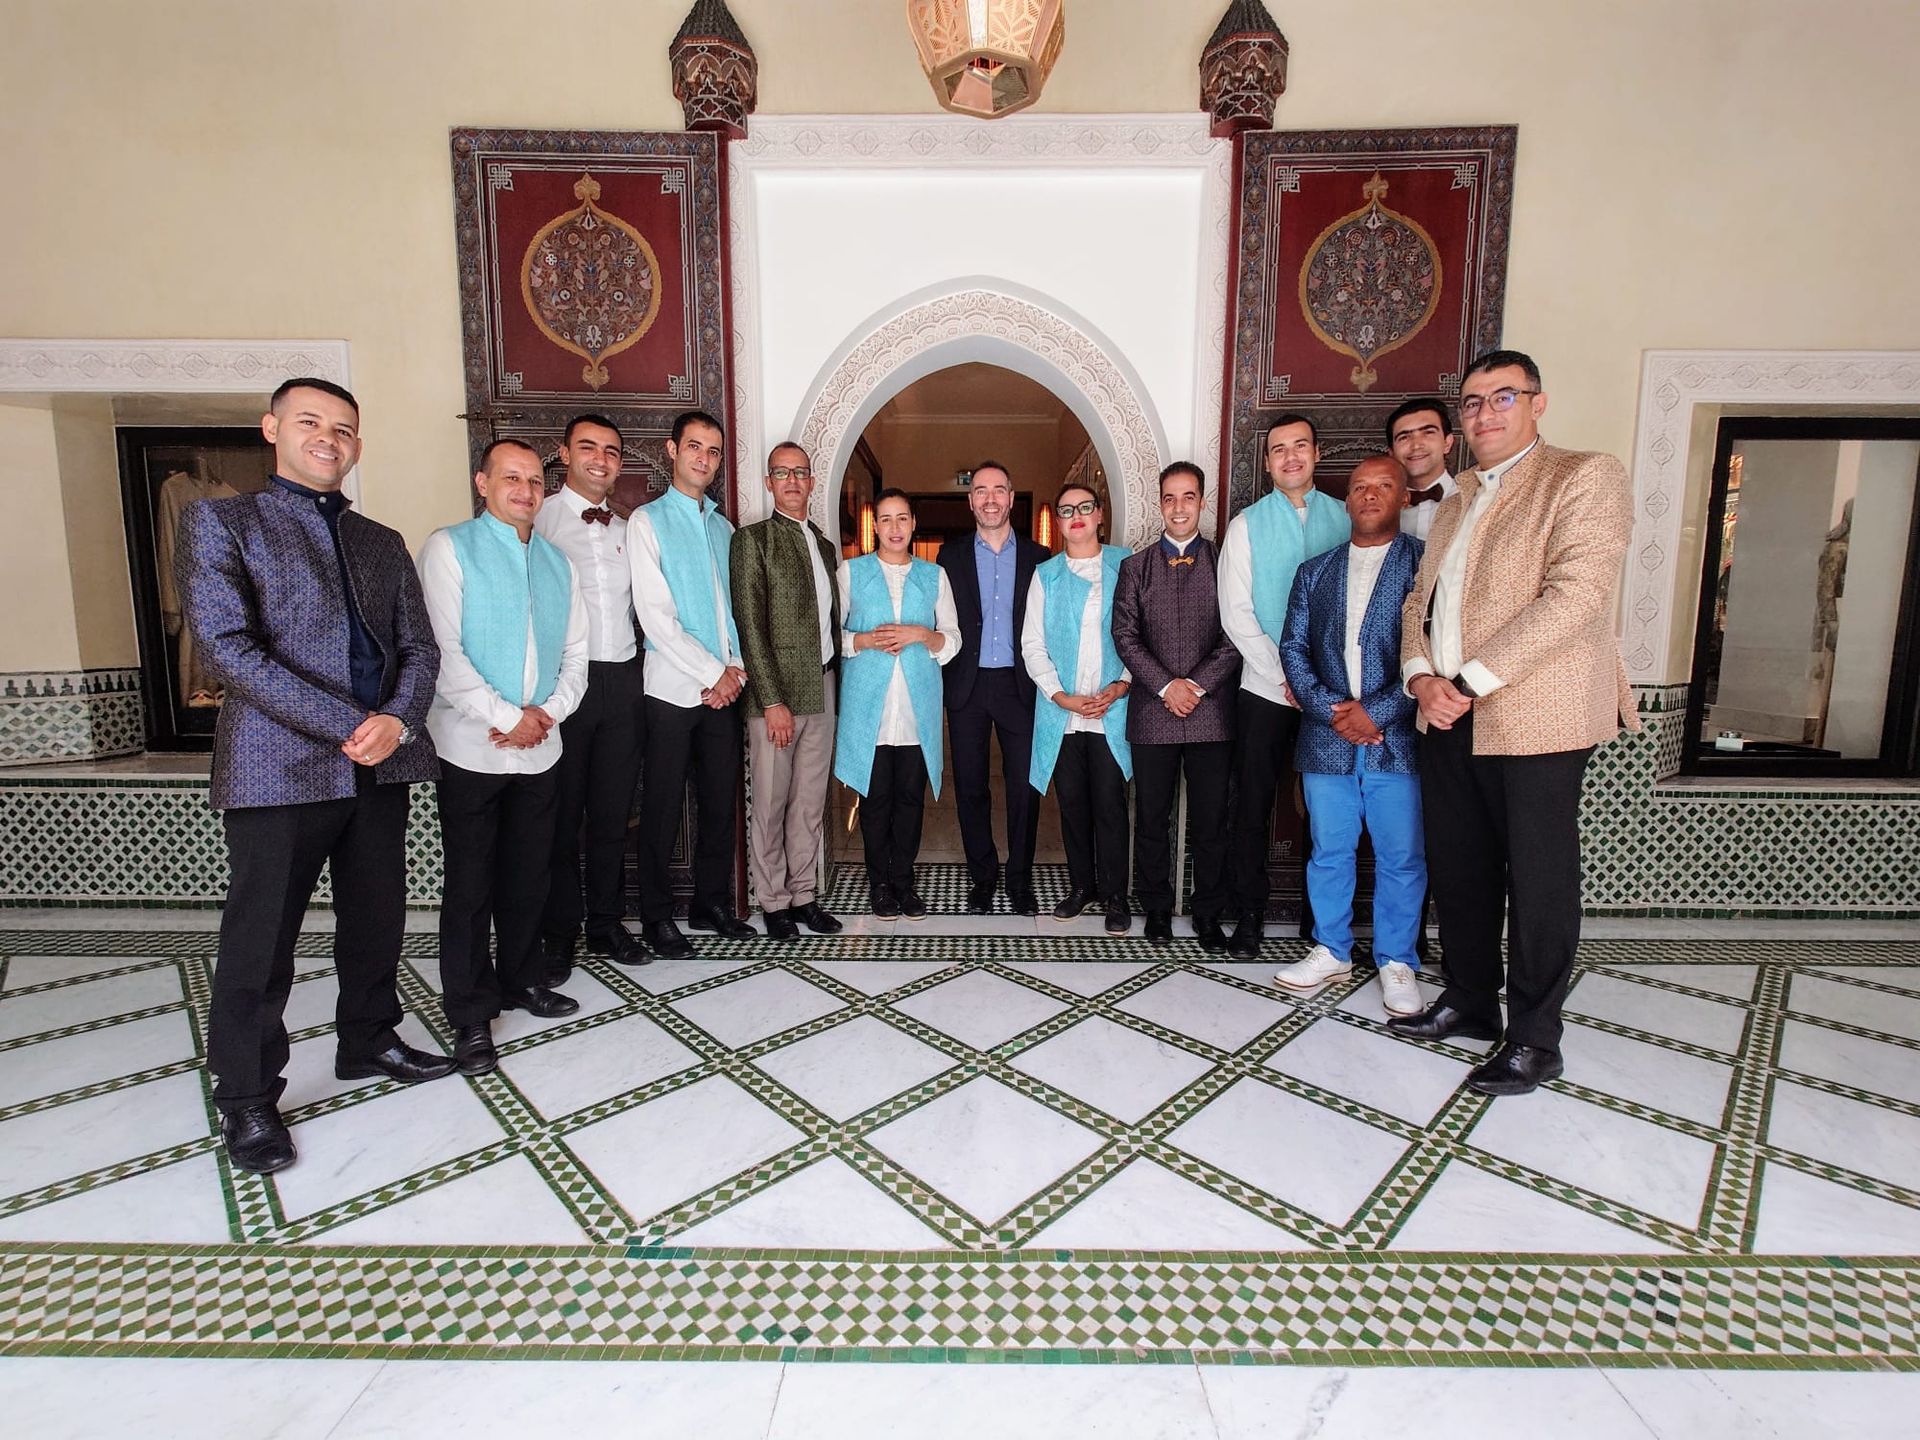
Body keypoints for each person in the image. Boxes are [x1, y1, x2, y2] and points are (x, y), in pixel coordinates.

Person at [175, 377, 453, 1174]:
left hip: (382, 762)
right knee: (260, 941)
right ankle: (247, 1096)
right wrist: (347, 724)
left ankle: (368, 1039)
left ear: (357, 444)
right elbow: (228, 649)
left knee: (377, 918)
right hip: (277, 766)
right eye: (310, 422)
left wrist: (398, 720)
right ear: (272, 429)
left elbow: (419, 647)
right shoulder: (225, 523)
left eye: (343, 429)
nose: (329, 439)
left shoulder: (380, 541)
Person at [1391, 349, 1639, 1096]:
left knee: (1538, 881)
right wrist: (1422, 679)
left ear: (1537, 402)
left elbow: (1574, 597)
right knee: (1460, 868)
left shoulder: (1582, 476)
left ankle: (1535, 1038)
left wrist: (1465, 682)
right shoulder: (1459, 497)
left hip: (1535, 717)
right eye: (1472, 402)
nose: (1484, 413)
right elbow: (1418, 604)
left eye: (1502, 397)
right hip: (1446, 714)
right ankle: (1471, 1000)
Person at [419, 438, 590, 1076]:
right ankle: (470, 1013)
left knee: (528, 876)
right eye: (511, 478)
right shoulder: (449, 548)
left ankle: (521, 979)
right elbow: (442, 652)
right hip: (471, 749)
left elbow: (576, 654)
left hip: (541, 748)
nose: (525, 490)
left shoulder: (557, 562)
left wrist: (546, 715)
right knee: (470, 885)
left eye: (534, 481)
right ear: (482, 483)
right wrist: (506, 717)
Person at [1273, 456, 1426, 1014]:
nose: (1369, 495)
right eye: (1360, 487)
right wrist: (1333, 711)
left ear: (1404, 497)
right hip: (1327, 738)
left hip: (1397, 741)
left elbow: (1435, 650)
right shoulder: (1315, 571)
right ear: (1346, 501)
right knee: (1329, 851)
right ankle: (1332, 948)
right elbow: (1293, 647)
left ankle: (1397, 960)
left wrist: (1376, 713)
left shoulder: (1424, 566)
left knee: (1401, 855)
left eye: (1383, 486)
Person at [1218, 414, 1351, 957]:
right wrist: (1286, 675)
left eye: (1300, 446)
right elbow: (1236, 611)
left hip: (1335, 694)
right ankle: (1249, 914)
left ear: (1316, 453)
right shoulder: (1246, 525)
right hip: (1265, 689)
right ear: (1268, 462)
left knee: (1330, 808)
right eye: (1279, 449)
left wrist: (1316, 683)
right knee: (1252, 805)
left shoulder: (1346, 517)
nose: (1290, 457)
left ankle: (1322, 924)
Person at [628, 409, 752, 958]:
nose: (704, 458)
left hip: (725, 691)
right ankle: (656, 917)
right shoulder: (646, 521)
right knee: (660, 806)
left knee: (720, 802)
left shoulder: (724, 529)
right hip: (672, 691)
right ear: (672, 450)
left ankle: (711, 903)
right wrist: (713, 673)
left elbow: (737, 613)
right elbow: (656, 618)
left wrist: (736, 671)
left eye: (713, 451)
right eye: (695, 446)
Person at [534, 414, 650, 977]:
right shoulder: (539, 520)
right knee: (561, 815)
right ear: (564, 454)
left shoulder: (629, 529)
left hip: (623, 679)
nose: (600, 459)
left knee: (612, 813)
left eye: (610, 451)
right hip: (563, 683)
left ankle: (606, 923)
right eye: (588, 447)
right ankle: (559, 933)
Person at [1112, 462, 1241, 950]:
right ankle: (1156, 909)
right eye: (1169, 498)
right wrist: (1167, 686)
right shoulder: (1135, 568)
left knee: (1211, 821)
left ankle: (1208, 913)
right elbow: (1125, 636)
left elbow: (1237, 632)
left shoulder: (1225, 562)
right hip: (1152, 712)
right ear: (1159, 504)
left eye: (1188, 497)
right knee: (1152, 819)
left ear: (1202, 502)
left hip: (1212, 713)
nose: (1179, 507)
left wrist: (1197, 686)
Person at [730, 441, 844, 941]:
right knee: (772, 802)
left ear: (812, 482)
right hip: (775, 697)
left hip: (823, 685)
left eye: (800, 473)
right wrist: (772, 700)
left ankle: (803, 895)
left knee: (809, 802)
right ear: (769, 482)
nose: (793, 481)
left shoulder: (824, 546)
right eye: (782, 473)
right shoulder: (752, 541)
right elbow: (750, 627)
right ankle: (773, 901)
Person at [834, 489, 960, 917]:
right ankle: (879, 885)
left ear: (913, 524)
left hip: (915, 710)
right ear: (875, 526)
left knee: (910, 799)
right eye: (885, 519)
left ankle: (904, 882)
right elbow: (830, 636)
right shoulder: (851, 572)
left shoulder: (934, 576)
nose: (894, 528)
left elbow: (953, 640)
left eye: (902, 518)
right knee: (874, 800)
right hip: (868, 708)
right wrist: (864, 640)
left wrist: (922, 635)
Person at [937, 461, 1051, 916]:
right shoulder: (949, 557)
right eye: (981, 491)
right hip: (967, 684)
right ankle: (982, 878)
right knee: (970, 787)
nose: (990, 499)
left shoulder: (1041, 557)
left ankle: (1020, 881)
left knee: (1024, 788)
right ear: (971, 501)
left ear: (1011, 497)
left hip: (1020, 684)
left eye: (998, 490)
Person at [1022, 483, 1133, 935]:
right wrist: (1059, 695)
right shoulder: (1046, 575)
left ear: (1100, 514)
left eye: (1085, 507)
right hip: (1064, 713)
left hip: (1112, 709)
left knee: (1110, 803)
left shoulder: (1127, 565)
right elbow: (1032, 644)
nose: (1076, 516)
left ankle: (1116, 895)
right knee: (1072, 804)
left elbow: (1143, 634)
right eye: (1067, 510)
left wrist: (1122, 684)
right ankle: (1082, 886)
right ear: (1059, 522)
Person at [1388, 396, 1459, 544]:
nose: (1416, 445)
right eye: (1404, 437)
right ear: (1392, 453)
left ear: (1447, 443)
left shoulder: (1474, 501)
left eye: (1428, 433)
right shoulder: (1378, 508)